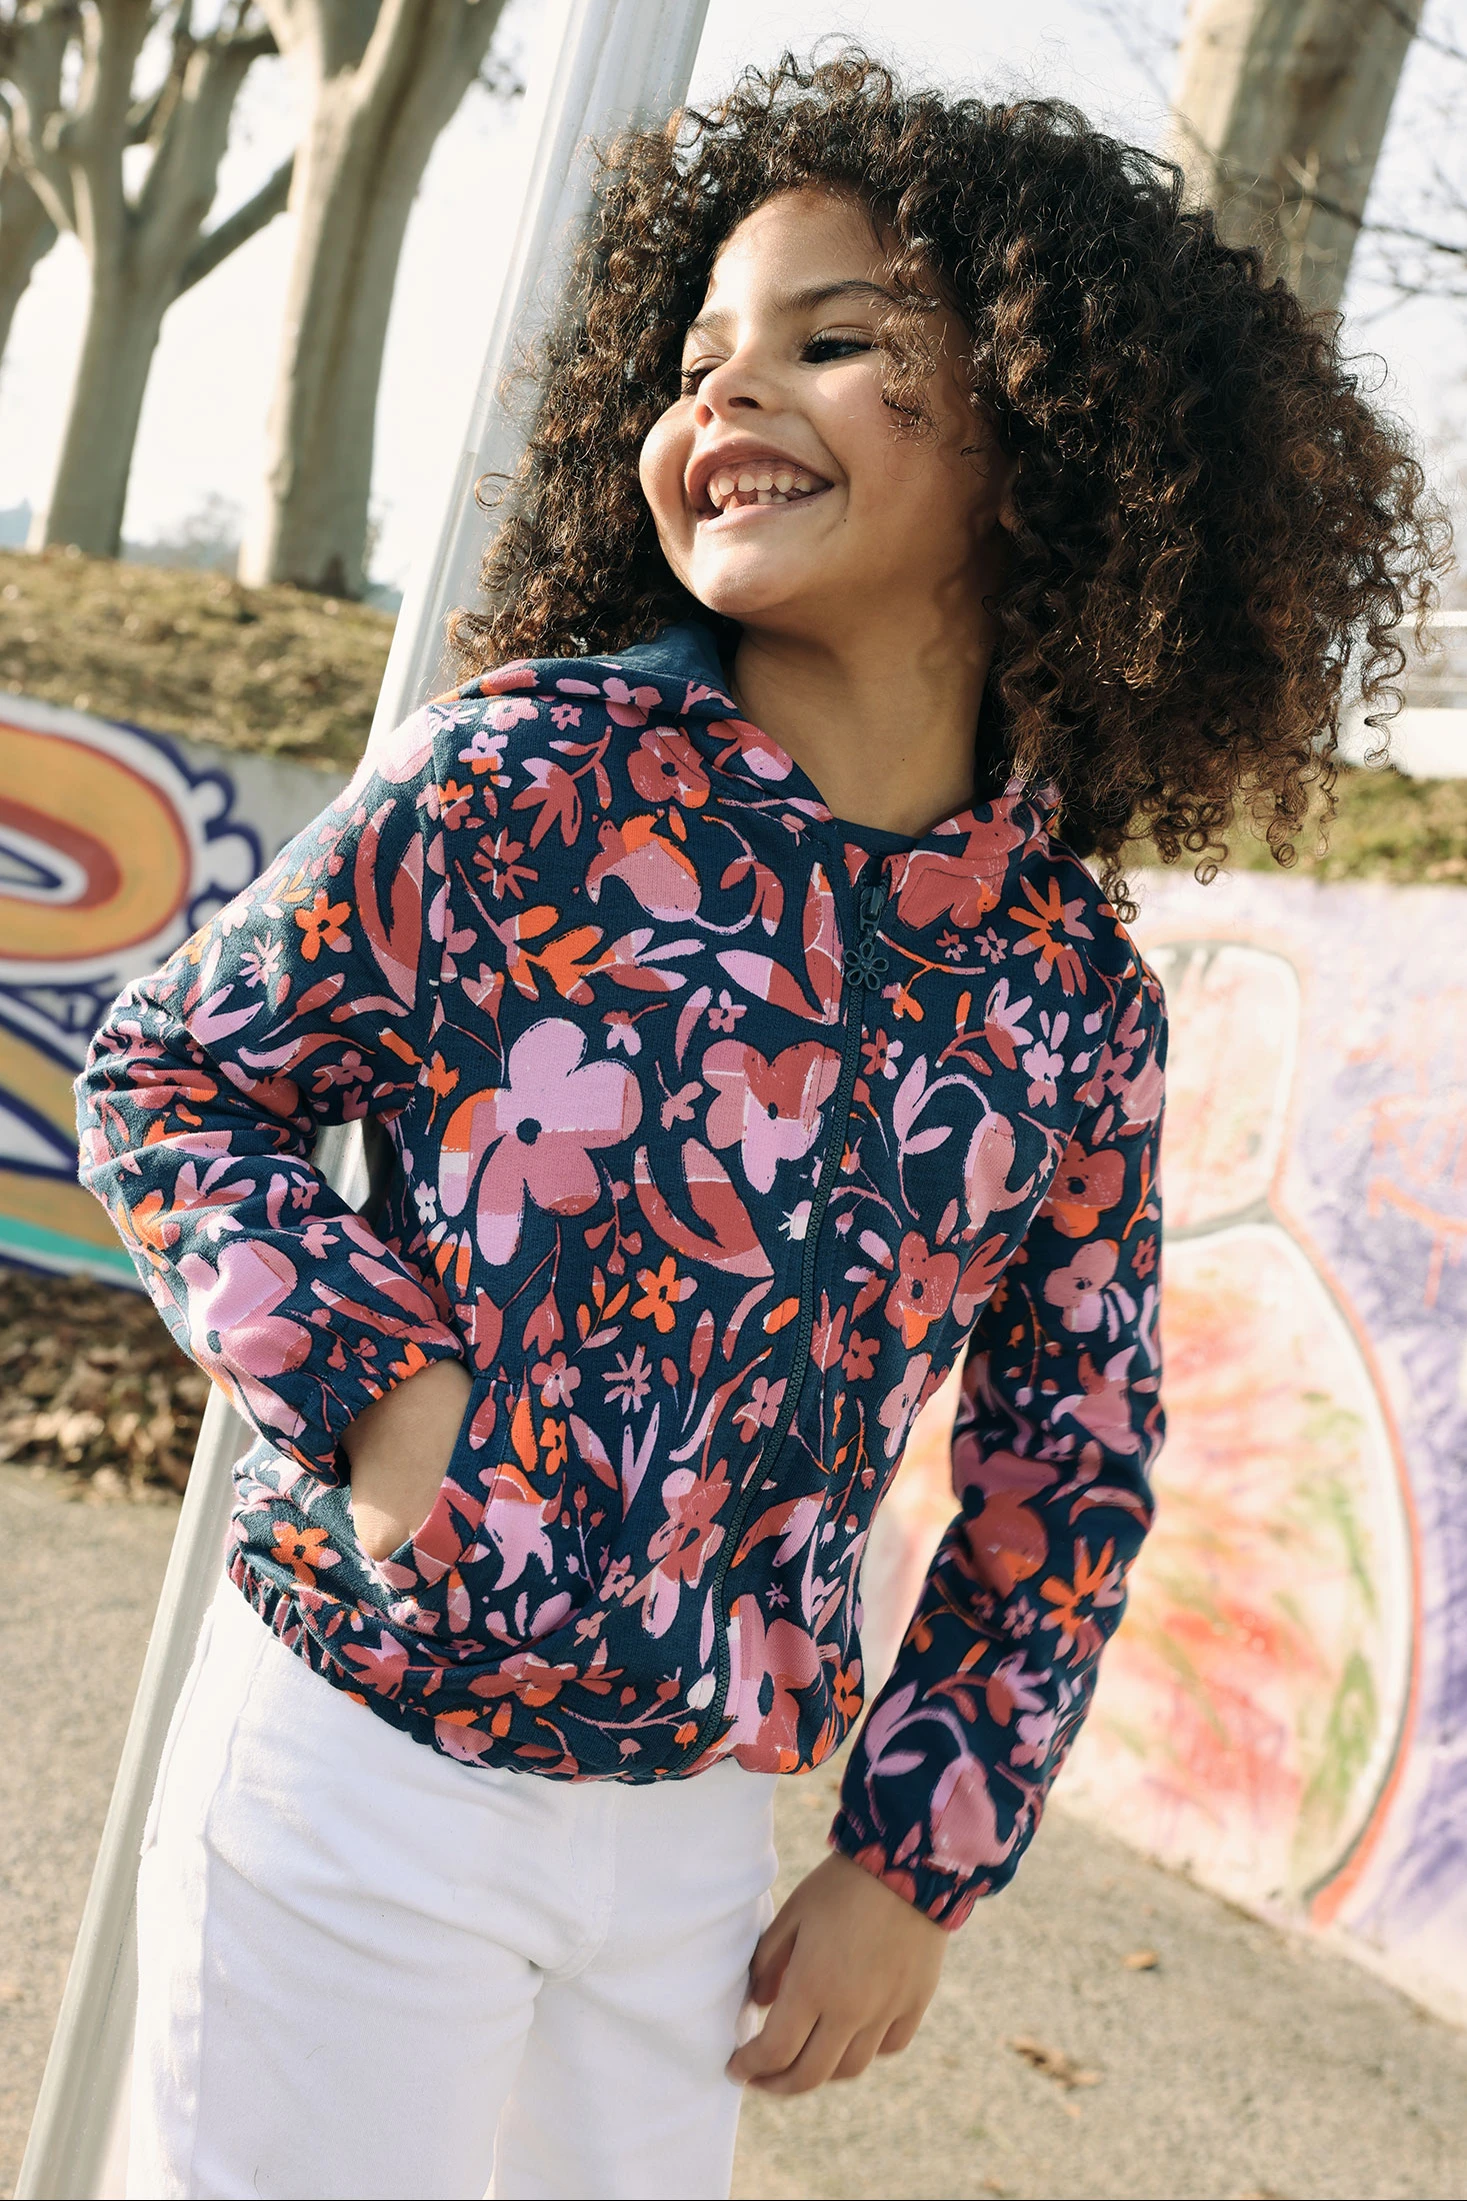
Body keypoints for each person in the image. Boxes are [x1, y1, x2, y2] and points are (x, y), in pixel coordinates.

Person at [76, 49, 1443, 2201]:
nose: (729, 387)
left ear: (1052, 432)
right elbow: (171, 1074)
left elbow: (1070, 1456)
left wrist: (917, 1858)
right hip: (360, 1767)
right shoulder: (521, 783)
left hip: (694, 1851)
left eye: (830, 338)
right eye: (699, 349)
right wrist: (374, 1387)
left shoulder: (1066, 991)